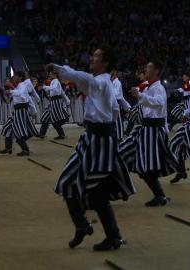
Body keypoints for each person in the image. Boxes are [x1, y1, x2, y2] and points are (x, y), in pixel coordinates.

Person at [50, 47, 135, 251]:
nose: (92, 58)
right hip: (92, 138)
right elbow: (114, 110)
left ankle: (111, 236)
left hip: (99, 141)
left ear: (105, 64)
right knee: (68, 182)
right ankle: (83, 225)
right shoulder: (101, 84)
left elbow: (84, 79)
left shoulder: (101, 82)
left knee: (96, 192)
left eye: (96, 56)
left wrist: (59, 69)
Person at [119, 61, 178, 207]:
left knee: (146, 166)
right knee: (124, 154)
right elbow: (143, 106)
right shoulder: (148, 87)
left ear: (157, 71)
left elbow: (158, 103)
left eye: (150, 67)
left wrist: (140, 95)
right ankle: (122, 189)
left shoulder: (158, 88)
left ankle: (159, 196)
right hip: (144, 130)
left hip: (153, 131)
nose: (146, 69)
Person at [0, 71, 39, 156]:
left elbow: (21, 94)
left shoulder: (23, 86)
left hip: (21, 111)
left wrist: (10, 91)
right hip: (17, 111)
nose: (13, 78)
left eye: (15, 76)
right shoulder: (19, 86)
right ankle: (8, 148)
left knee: (18, 130)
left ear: (20, 78)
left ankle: (25, 150)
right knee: (8, 128)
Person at [39, 70, 70, 139]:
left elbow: (55, 89)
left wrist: (44, 87)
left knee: (53, 119)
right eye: (49, 74)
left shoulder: (55, 80)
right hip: (53, 102)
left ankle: (61, 134)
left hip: (56, 102)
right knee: (46, 117)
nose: (49, 75)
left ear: (55, 75)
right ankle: (42, 134)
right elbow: (62, 92)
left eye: (51, 74)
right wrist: (67, 101)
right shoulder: (54, 81)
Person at [111, 69, 131, 140]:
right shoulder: (113, 82)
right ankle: (116, 136)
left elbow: (116, 94)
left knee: (118, 121)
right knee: (114, 121)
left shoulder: (117, 82)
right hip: (112, 103)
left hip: (116, 103)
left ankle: (120, 137)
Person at [124, 71, 145, 135]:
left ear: (144, 75)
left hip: (145, 105)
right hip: (141, 104)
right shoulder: (142, 82)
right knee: (132, 115)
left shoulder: (146, 82)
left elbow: (137, 89)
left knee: (141, 119)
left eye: (141, 75)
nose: (139, 76)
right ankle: (127, 131)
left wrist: (134, 89)